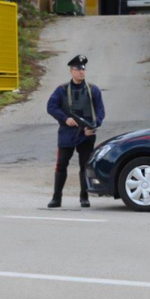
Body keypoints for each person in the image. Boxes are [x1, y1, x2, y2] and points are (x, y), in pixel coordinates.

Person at [46, 54, 105, 208]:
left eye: (83, 69)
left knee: (84, 166)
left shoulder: (93, 90)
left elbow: (100, 113)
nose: (81, 72)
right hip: (67, 134)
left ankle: (84, 197)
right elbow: (51, 107)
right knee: (61, 165)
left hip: (86, 135)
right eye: (78, 69)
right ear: (71, 71)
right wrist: (65, 119)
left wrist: (92, 126)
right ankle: (56, 198)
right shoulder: (62, 90)